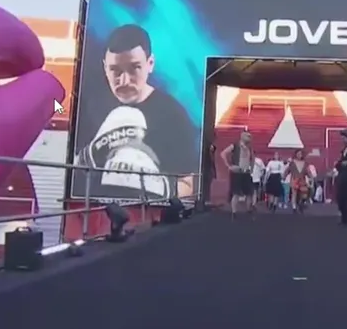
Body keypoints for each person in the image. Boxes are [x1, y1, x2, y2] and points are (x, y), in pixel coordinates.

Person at [74, 24, 197, 201]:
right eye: (115, 70)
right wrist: (89, 157)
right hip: (95, 212)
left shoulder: (174, 115)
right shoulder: (90, 106)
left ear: (150, 64)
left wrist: (156, 187)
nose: (124, 81)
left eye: (134, 68)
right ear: (105, 67)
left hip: (150, 214)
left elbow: (187, 184)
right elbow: (71, 171)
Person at [219, 131, 256, 219]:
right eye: (248, 136)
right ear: (242, 136)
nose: (249, 138)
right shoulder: (235, 145)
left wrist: (251, 168)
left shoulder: (249, 148)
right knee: (236, 193)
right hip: (237, 171)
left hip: (246, 172)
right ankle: (234, 213)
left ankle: (249, 210)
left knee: (250, 192)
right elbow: (223, 153)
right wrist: (228, 166)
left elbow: (253, 159)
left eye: (250, 136)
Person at [286, 149, 316, 213]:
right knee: (294, 193)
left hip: (302, 180)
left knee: (303, 194)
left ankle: (300, 203)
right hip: (294, 179)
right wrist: (283, 176)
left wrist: (311, 177)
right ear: (296, 154)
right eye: (298, 154)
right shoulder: (292, 163)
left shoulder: (305, 163)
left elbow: (308, 171)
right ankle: (294, 207)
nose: (299, 155)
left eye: (300, 154)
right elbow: (288, 170)